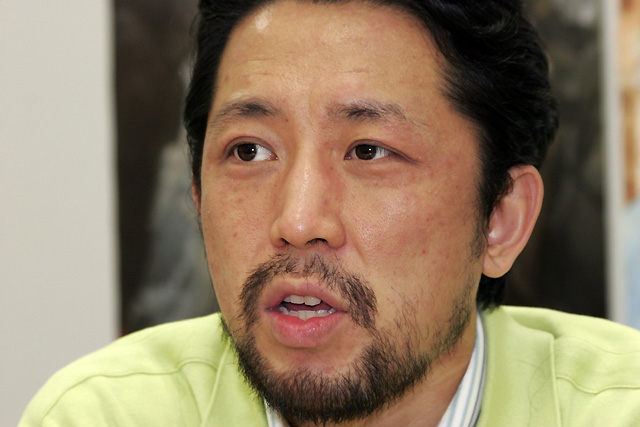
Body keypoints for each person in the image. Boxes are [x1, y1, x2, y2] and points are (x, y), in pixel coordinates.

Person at [21, 1, 640, 426]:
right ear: (196, 195)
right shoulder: (106, 414)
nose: (297, 221)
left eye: (368, 151)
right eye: (250, 150)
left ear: (500, 219)